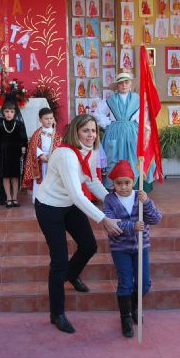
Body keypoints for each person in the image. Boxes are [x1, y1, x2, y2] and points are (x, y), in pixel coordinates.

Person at [34, 114, 123, 334]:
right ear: (75, 131)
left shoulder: (90, 151)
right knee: (59, 260)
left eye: (93, 131)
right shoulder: (65, 155)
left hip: (69, 204)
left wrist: (114, 201)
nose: (91, 135)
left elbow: (92, 180)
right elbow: (76, 193)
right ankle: (57, 314)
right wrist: (103, 219)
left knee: (89, 246)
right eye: (86, 131)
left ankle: (71, 275)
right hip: (50, 207)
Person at [102, 160, 162, 338]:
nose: (123, 187)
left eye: (127, 182)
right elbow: (111, 224)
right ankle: (126, 316)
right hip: (120, 249)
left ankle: (135, 306)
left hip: (141, 246)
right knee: (126, 283)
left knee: (144, 283)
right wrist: (132, 226)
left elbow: (156, 219)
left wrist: (148, 202)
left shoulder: (140, 197)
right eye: (119, 183)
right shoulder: (110, 200)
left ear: (133, 181)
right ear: (113, 184)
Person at [93, 72, 156, 191]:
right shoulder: (110, 100)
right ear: (117, 86)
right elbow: (97, 113)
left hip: (133, 134)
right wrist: (108, 123)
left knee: (134, 158)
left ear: (131, 84)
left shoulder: (138, 99)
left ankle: (136, 187)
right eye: (121, 83)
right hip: (114, 133)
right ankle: (115, 187)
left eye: (126, 82)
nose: (124, 85)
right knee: (114, 158)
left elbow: (143, 116)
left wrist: (144, 129)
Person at [23, 107, 61, 203]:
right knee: (40, 181)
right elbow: (33, 146)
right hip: (41, 161)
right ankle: (38, 200)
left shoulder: (57, 134)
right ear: (40, 120)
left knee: (52, 181)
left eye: (51, 118)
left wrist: (53, 156)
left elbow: (60, 146)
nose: (49, 121)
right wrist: (40, 155)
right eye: (46, 118)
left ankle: (52, 200)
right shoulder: (37, 133)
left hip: (53, 162)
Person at [0, 100, 28, 208]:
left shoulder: (19, 124)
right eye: (7, 111)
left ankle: (14, 197)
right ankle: (8, 197)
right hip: (4, 153)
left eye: (11, 111)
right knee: (6, 176)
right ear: (3, 112)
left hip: (16, 153)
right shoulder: (0, 125)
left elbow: (24, 138)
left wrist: (23, 148)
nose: (9, 114)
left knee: (15, 176)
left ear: (15, 113)